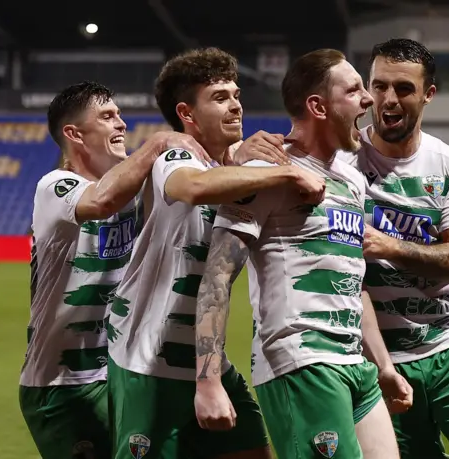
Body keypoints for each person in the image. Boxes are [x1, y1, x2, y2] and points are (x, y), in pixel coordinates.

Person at [106, 47, 325, 459]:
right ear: (187, 113)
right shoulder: (177, 155)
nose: (235, 104)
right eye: (220, 97)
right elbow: (192, 186)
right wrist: (290, 171)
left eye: (236, 94)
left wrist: (254, 159)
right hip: (148, 358)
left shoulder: (239, 163)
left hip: (206, 360)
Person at [193, 48, 401, 459]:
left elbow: (352, 279)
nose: (370, 99)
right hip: (301, 360)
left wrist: (383, 364)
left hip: (354, 365)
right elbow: (217, 275)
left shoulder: (351, 180)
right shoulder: (264, 173)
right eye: (355, 90)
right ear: (317, 106)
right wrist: (208, 380)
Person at [339, 38, 449, 459]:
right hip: (379, 354)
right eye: (379, 86)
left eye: (403, 88)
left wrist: (387, 246)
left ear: (428, 94)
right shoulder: (341, 162)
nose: (388, 99)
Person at [20, 81, 205, 459]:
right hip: (61, 383)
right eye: (107, 117)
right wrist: (154, 144)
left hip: (121, 372)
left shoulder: (136, 187)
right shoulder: (55, 187)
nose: (121, 124)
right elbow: (102, 200)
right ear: (75, 134)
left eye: (120, 114)